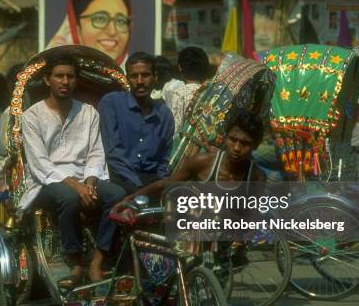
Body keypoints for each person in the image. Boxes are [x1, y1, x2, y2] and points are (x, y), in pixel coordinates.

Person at [17, 53, 126, 287]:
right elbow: (40, 164)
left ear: (76, 80)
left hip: (85, 178)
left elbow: (96, 152)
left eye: (70, 76)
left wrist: (90, 183)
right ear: (48, 80)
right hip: (46, 183)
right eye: (59, 76)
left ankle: (98, 258)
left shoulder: (88, 112)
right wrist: (77, 187)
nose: (64, 81)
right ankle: (76, 262)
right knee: (68, 197)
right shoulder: (32, 116)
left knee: (117, 195)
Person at [113, 109, 266, 266]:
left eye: (245, 143)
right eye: (233, 140)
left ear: (255, 146)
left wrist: (242, 239)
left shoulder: (256, 177)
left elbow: (252, 216)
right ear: (226, 137)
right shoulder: (203, 162)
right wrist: (129, 199)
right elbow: (166, 184)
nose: (237, 148)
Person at [98, 52, 175, 195]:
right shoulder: (111, 103)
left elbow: (164, 159)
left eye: (145, 75)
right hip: (120, 177)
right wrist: (140, 188)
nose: (140, 81)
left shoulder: (164, 114)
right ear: (127, 79)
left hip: (152, 180)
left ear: (155, 77)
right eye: (134, 76)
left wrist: (162, 184)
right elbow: (113, 153)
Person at [47, 0, 132, 66]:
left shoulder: (136, 76)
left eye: (121, 21)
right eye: (100, 19)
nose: (112, 31)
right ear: (75, 27)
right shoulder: (57, 76)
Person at [167, 47, 211, 140]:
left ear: (180, 68)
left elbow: (175, 130)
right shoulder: (211, 91)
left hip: (186, 149)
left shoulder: (180, 94)